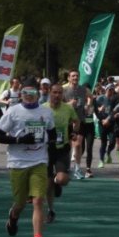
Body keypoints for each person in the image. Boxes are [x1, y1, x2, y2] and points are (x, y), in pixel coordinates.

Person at [0, 78, 56, 237]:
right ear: (20, 94)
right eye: (25, 93)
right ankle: (13, 218)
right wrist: (19, 140)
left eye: (32, 93)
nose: (28, 96)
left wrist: (52, 144)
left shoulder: (46, 111)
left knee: (38, 200)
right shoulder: (13, 111)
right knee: (20, 203)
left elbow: (51, 132)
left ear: (39, 94)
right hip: (17, 162)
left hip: (39, 160)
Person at [45, 84, 79, 224]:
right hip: (46, 150)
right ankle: (50, 211)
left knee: (62, 180)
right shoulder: (43, 108)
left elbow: (76, 120)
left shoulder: (68, 108)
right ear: (49, 93)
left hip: (62, 148)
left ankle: (56, 182)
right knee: (47, 184)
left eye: (60, 93)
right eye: (54, 92)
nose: (57, 95)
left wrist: (74, 132)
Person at [63, 70, 92, 179]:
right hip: (67, 121)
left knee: (78, 144)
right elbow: (58, 103)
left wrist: (88, 107)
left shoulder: (84, 90)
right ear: (69, 78)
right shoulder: (64, 90)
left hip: (79, 120)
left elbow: (91, 96)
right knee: (68, 146)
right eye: (73, 76)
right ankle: (68, 168)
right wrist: (68, 104)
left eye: (77, 76)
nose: (75, 78)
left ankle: (78, 169)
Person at [95, 84, 119, 168]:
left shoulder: (115, 99)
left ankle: (108, 152)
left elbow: (118, 110)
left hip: (111, 123)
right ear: (106, 90)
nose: (111, 91)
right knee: (103, 142)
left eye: (113, 90)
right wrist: (99, 109)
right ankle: (101, 160)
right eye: (109, 89)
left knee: (113, 142)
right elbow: (94, 108)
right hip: (102, 122)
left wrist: (116, 115)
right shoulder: (100, 98)